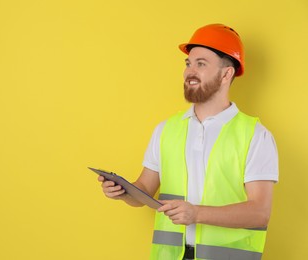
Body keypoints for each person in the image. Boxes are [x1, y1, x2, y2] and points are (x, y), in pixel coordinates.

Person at [98, 24, 278, 260]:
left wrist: (197, 214)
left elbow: (259, 213)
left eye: (201, 64)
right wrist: (124, 191)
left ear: (226, 74)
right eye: (188, 64)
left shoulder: (255, 135)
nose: (189, 72)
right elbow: (144, 190)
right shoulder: (167, 130)